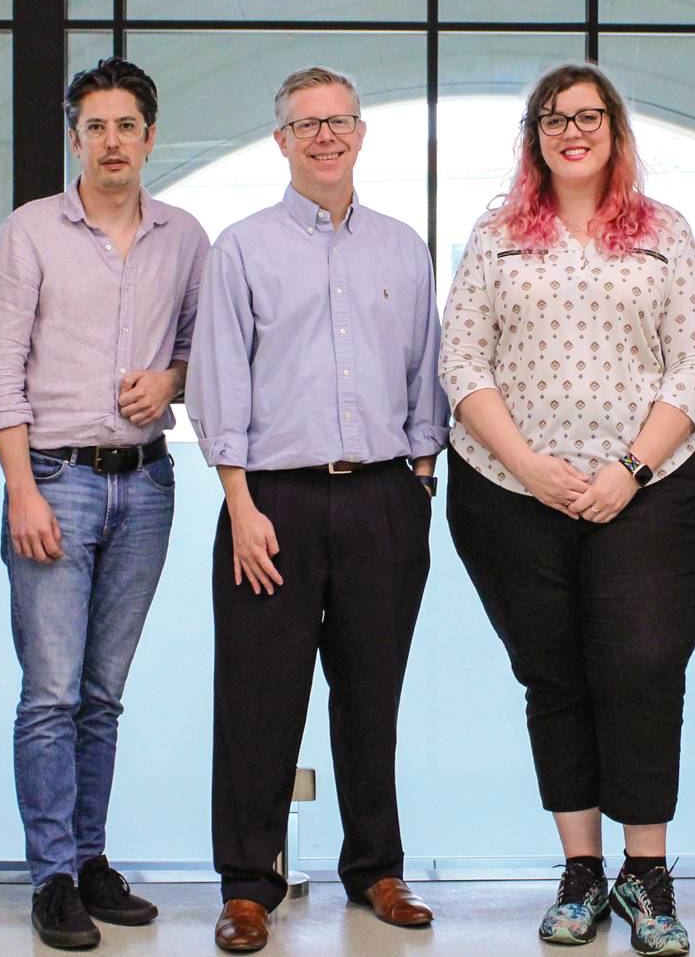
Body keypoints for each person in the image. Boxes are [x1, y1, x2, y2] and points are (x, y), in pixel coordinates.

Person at [439, 63, 695, 957]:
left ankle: (648, 872)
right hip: (509, 494)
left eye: (588, 116)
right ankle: (582, 871)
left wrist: (628, 469)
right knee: (554, 674)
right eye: (554, 118)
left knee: (641, 667)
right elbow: (462, 364)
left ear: (615, 129)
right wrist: (528, 464)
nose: (572, 131)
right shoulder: (495, 236)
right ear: (535, 135)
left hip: (650, 489)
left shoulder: (663, 232)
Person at [185, 66, 448, 954]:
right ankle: (249, 883)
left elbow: (426, 374)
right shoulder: (243, 248)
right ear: (282, 141)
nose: (325, 137)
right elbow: (218, 383)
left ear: (362, 133)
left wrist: (416, 483)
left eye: (339, 121)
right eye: (307, 124)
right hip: (272, 502)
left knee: (371, 694)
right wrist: (240, 502)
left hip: (382, 494)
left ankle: (376, 867)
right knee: (259, 698)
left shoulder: (404, 248)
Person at [0, 56, 208, 950]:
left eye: (127, 127)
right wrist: (22, 488)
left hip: (146, 482)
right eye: (95, 127)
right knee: (51, 693)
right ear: (76, 138)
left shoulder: (186, 237)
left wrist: (172, 380)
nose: (112, 142)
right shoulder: (28, 234)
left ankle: (92, 857)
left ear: (151, 137)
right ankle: (51, 875)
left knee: (104, 694)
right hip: (56, 482)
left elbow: (200, 352)